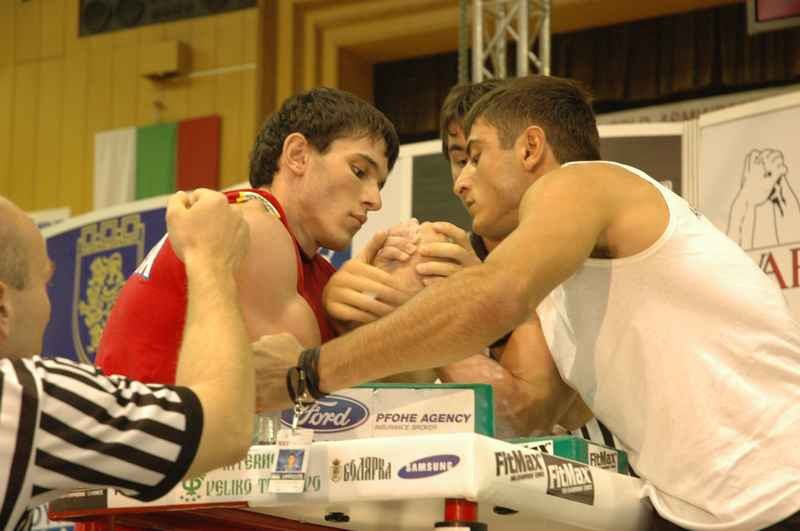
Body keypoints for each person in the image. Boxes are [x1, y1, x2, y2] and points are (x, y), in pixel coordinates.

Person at [254, 75, 800, 530]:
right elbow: (528, 411)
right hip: (698, 510)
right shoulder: (564, 281)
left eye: (476, 156)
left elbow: (493, 296)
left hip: (780, 487)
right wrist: (410, 309)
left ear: (532, 148)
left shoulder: (579, 184)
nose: (462, 182)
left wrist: (307, 372)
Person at [97, 87, 401, 386]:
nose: (375, 200)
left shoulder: (315, 269)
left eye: (380, 185)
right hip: (145, 433)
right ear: (297, 155)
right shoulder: (252, 227)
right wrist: (376, 330)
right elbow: (295, 397)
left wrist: (365, 319)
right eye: (359, 171)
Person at [0, 190, 256, 531]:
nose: (48, 309)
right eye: (44, 283)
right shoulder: (22, 397)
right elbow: (223, 429)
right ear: (2, 305)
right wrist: (209, 258)